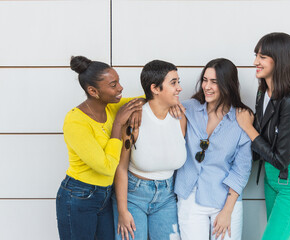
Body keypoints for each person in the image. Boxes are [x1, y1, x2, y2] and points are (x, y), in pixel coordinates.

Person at [56, 56, 144, 240]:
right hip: (79, 197)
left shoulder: (110, 106)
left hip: (105, 196)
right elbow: (107, 167)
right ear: (93, 91)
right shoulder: (75, 121)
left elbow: (147, 98)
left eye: (118, 82)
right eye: (113, 85)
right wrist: (118, 124)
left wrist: (141, 107)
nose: (120, 88)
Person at [236, 32, 290, 240]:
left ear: (280, 60)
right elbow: (263, 137)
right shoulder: (263, 93)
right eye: (256, 55)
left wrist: (248, 128)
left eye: (262, 57)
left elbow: (281, 159)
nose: (255, 62)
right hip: (272, 180)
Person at [174, 58, 252, 240]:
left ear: (228, 84)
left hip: (225, 200)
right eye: (205, 80)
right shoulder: (188, 108)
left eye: (214, 82)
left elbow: (242, 169)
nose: (207, 86)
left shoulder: (242, 118)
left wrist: (226, 212)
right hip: (190, 198)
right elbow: (157, 104)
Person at [112, 60, 187, 240]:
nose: (179, 88)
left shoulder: (180, 117)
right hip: (133, 197)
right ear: (155, 88)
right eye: (173, 82)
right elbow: (120, 167)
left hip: (167, 197)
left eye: (178, 81)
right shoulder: (134, 120)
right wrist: (122, 211)